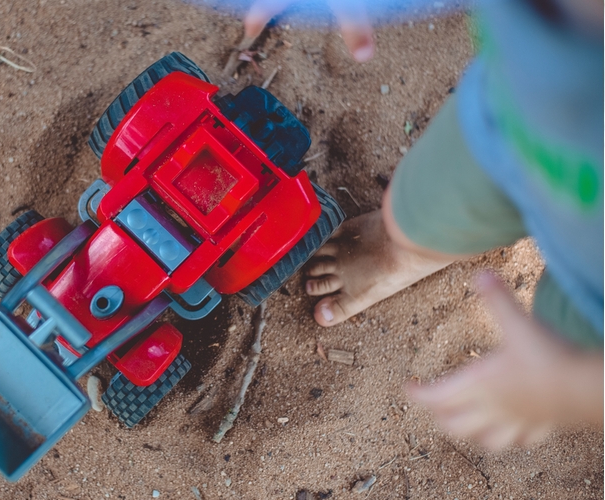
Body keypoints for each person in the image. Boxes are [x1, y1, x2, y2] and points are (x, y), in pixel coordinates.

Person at [241, 0, 603, 449]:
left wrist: (575, 387)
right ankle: (406, 251)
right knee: (421, 213)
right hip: (511, 120)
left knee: (564, 334)